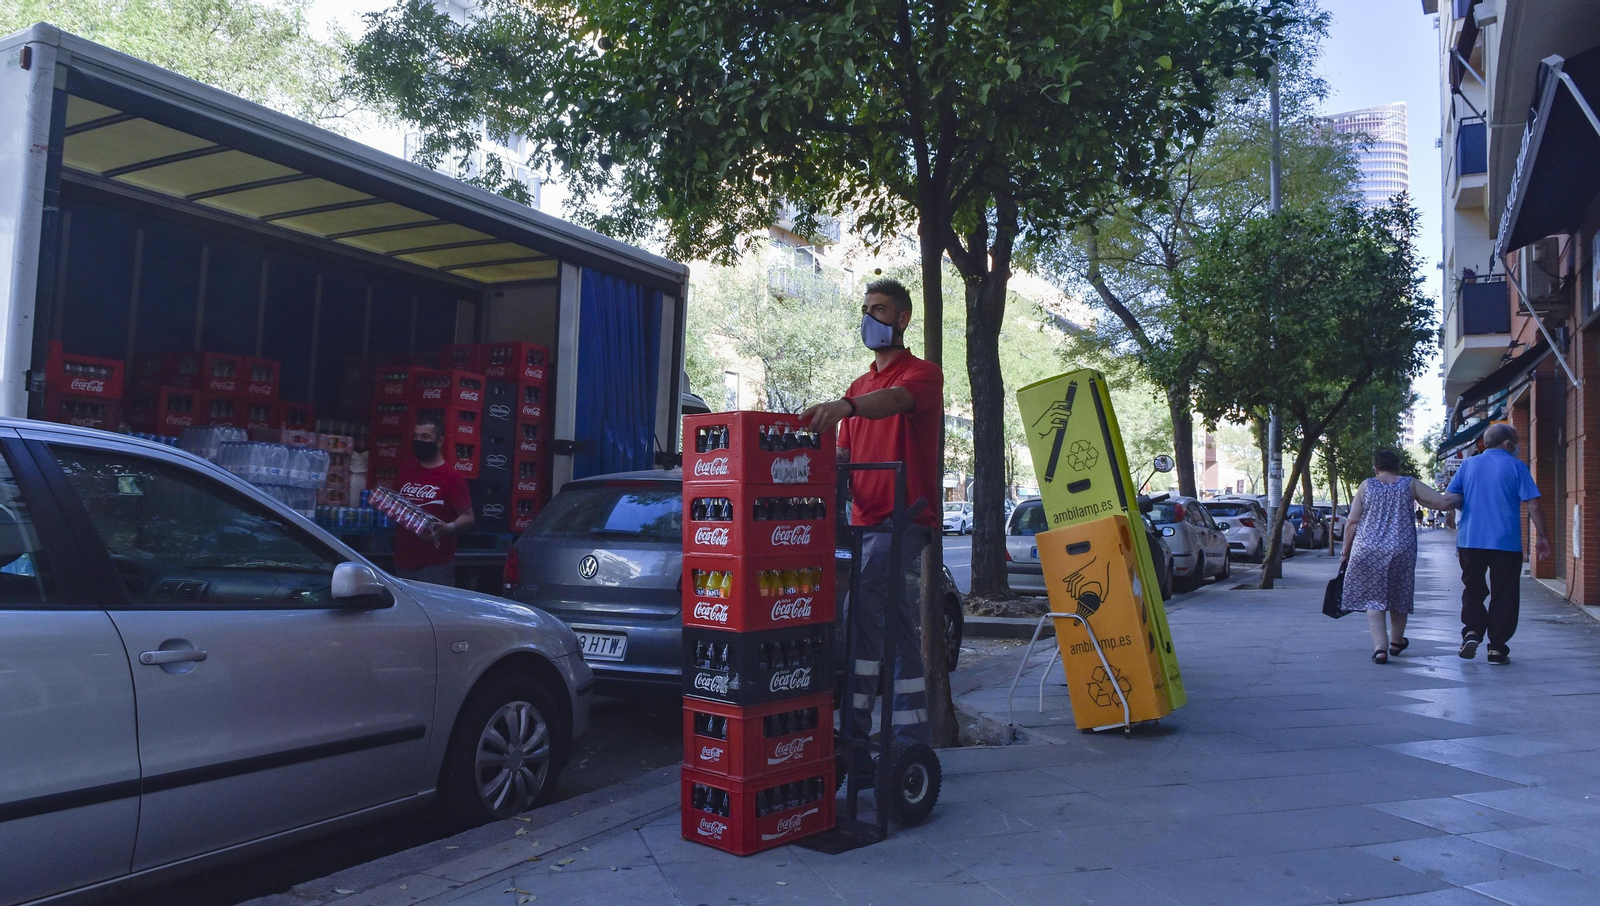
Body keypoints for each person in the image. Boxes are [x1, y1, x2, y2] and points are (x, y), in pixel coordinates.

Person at [801, 278, 943, 756]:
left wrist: (845, 407)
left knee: (861, 606)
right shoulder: (858, 385)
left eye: (878, 309)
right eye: (865, 309)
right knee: (897, 626)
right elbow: (841, 459)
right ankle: (912, 739)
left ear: (902, 319)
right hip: (865, 521)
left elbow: (897, 403)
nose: (869, 318)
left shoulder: (921, 374)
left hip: (906, 518)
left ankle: (854, 736)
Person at [1340, 449, 1461, 664]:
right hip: (1401, 548)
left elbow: (1352, 522)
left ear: (1375, 467)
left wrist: (1346, 552)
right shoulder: (1410, 484)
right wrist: (1466, 494)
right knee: (1400, 593)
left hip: (1368, 549)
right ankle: (1396, 641)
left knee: (1373, 599)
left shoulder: (1366, 485)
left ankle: (1380, 648)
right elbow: (1441, 503)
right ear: (1398, 466)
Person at [1447, 423, 1550, 664]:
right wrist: (1543, 537)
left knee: (1473, 588)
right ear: (1508, 444)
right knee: (1504, 593)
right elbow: (1533, 504)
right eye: (1516, 442)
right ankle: (1497, 646)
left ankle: (1472, 630)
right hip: (1506, 542)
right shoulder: (1517, 466)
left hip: (1471, 541)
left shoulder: (1468, 465)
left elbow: (1451, 499)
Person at [392, 416, 474, 584]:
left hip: (435, 564)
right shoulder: (405, 471)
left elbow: (468, 517)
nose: (418, 441)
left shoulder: (451, 477)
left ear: (439, 441)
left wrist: (448, 527)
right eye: (415, 436)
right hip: (403, 561)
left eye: (425, 437)